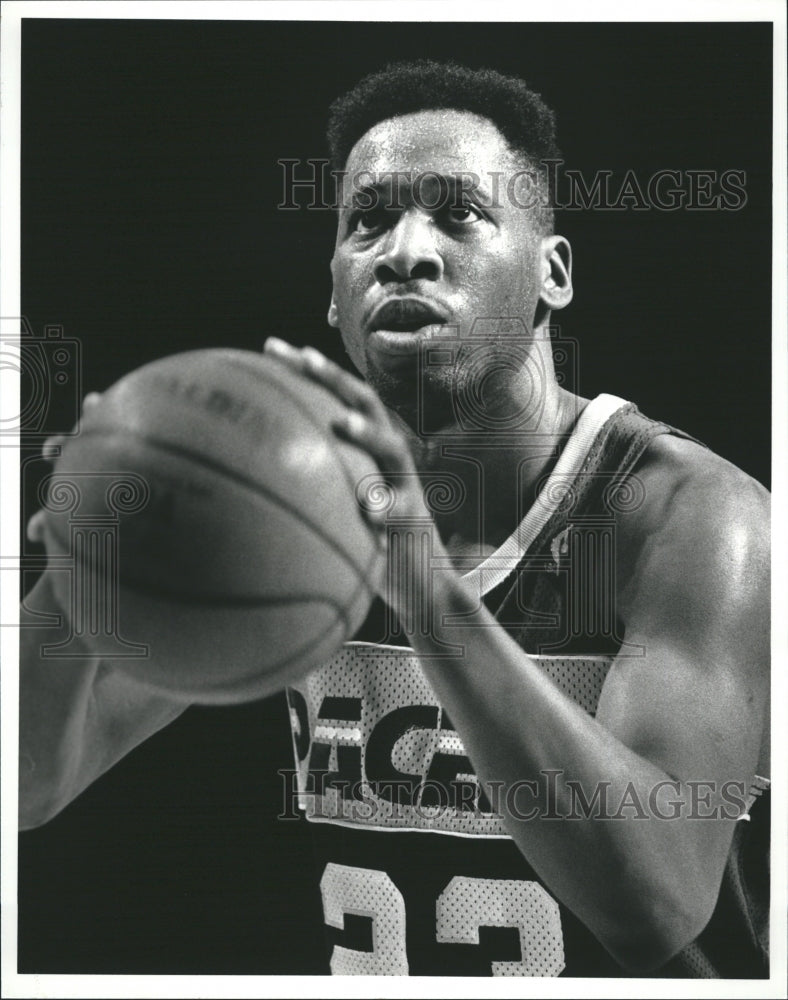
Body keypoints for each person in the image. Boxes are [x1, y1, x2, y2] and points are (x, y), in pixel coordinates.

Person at [19, 61, 770, 978]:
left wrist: (423, 586)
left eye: (459, 213)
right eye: (366, 220)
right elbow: (26, 786)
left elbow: (656, 905)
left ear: (553, 272)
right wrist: (78, 574)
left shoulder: (692, 519)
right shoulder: (294, 510)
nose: (404, 251)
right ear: (333, 292)